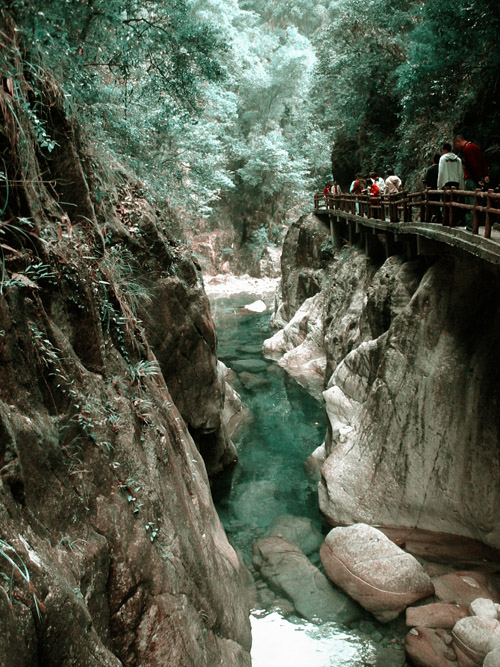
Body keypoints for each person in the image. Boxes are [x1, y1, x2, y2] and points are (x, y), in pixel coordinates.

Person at [453, 134, 489, 231]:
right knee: (477, 202)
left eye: (456, 145)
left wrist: (477, 179)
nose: (457, 147)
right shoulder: (475, 147)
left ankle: (471, 227)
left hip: (471, 179)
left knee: (470, 203)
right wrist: (484, 175)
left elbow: (474, 165)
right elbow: (482, 162)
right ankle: (476, 225)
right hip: (478, 178)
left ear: (458, 141)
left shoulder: (467, 149)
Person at [424, 153, 442, 223]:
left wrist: (425, 190)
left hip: (431, 190)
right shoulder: (441, 168)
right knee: (440, 204)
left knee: (432, 205)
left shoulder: (430, 169)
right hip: (440, 189)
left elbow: (425, 181)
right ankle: (439, 217)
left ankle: (433, 217)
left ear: (433, 160)